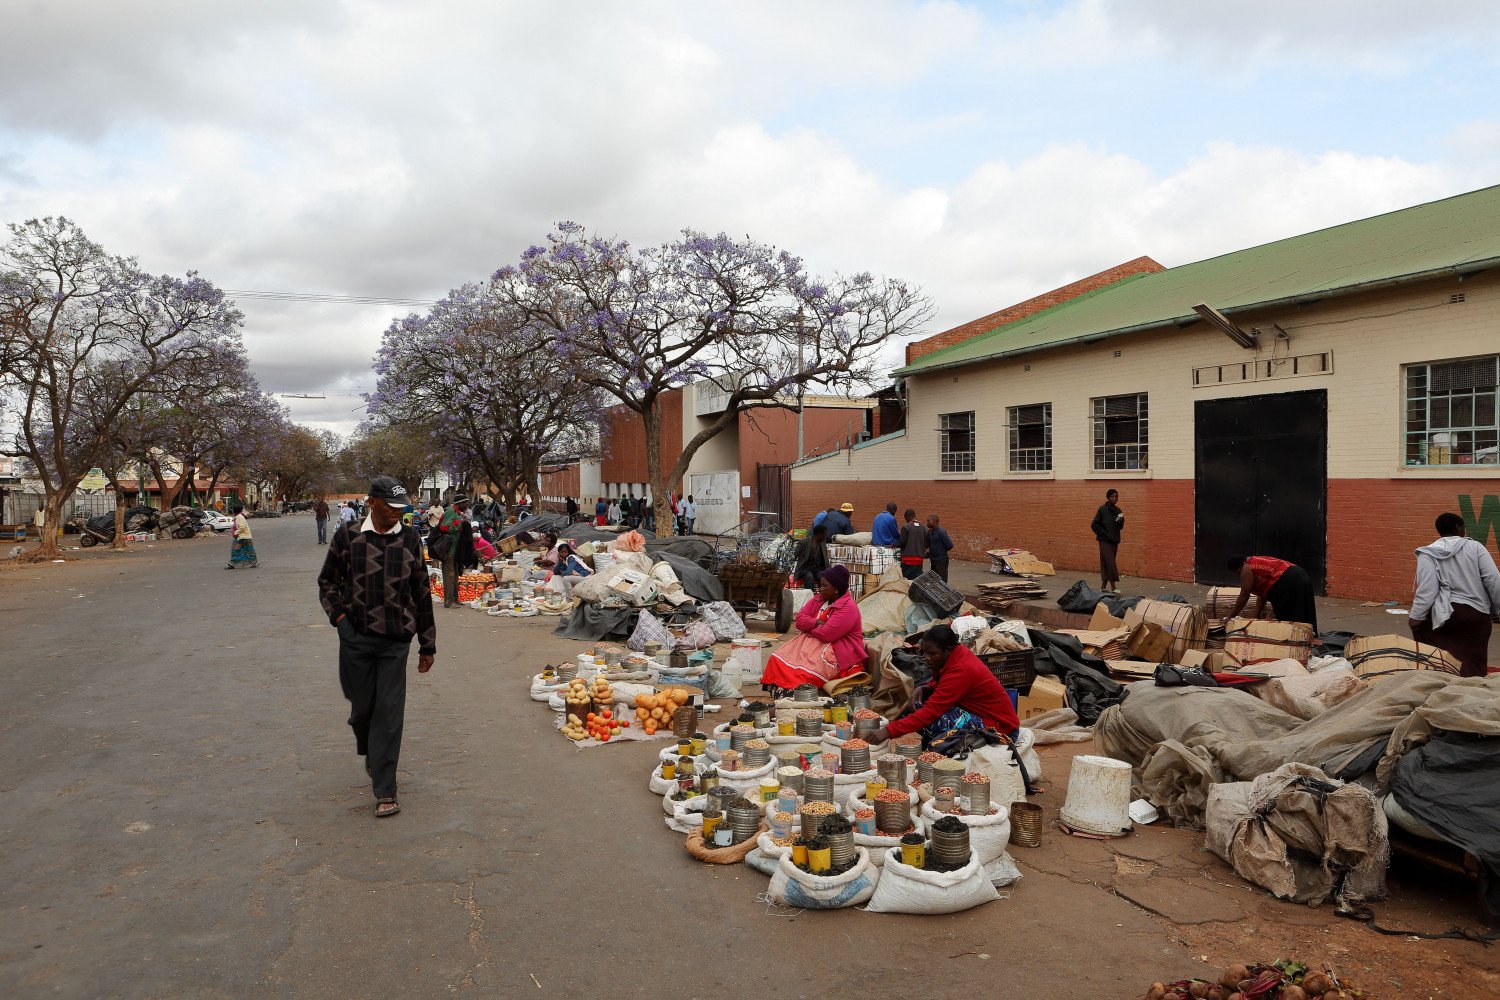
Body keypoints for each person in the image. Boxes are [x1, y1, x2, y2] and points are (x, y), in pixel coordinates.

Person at [317, 476, 436, 819]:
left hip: (396, 641)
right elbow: (327, 583)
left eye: (401, 508)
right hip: (356, 640)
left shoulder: (411, 539)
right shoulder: (348, 536)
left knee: (389, 712)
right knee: (363, 712)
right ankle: (368, 744)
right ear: (372, 503)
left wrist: (428, 644)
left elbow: (422, 592)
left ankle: (385, 789)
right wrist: (341, 621)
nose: (397, 514)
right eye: (391, 507)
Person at [871, 624, 1020, 745]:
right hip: (983, 715)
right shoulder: (957, 654)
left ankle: (943, 748)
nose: (926, 658)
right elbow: (946, 683)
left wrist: (887, 732)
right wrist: (926, 687)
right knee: (917, 706)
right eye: (924, 652)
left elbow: (932, 711)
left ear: (948, 650)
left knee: (930, 719)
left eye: (932, 654)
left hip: (1001, 729)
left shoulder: (961, 669)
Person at [1409, 511, 1500, 677]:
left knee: (1431, 649)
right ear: (1458, 527)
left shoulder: (1427, 553)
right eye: (1463, 527)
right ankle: (1471, 689)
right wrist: (1497, 610)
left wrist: (1416, 617)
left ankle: (1440, 682)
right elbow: (1493, 580)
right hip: (1475, 615)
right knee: (1474, 659)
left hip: (1442, 616)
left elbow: (1427, 589)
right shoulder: (1475, 547)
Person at [761, 566, 867, 692]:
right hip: (812, 642)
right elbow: (799, 621)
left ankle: (791, 692)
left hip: (836, 648)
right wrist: (817, 622)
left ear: (837, 589)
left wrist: (809, 628)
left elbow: (827, 634)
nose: (820, 589)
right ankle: (778, 688)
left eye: (824, 586)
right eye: (820, 585)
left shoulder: (849, 607)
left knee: (805, 672)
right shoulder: (819, 599)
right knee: (776, 658)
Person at [1226, 554, 1319, 632]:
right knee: (1303, 611)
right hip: (1300, 575)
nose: (1238, 575)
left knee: (1288, 617)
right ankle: (1307, 637)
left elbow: (1244, 595)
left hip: (1288, 581)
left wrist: (1230, 617)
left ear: (1240, 565)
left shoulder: (1246, 567)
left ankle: (1294, 641)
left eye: (1237, 572)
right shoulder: (1255, 562)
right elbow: (1262, 596)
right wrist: (1255, 617)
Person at [431, 496, 473, 609]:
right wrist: (459, 524)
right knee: (449, 575)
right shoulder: (450, 511)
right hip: (449, 549)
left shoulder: (457, 513)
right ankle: (448, 601)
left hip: (455, 549)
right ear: (460, 503)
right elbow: (444, 527)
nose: (467, 505)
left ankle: (454, 599)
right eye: (466, 503)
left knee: (454, 575)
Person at [1091, 489, 1124, 593]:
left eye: (1116, 496)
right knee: (1110, 562)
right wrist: (1103, 534)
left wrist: (1121, 521)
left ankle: (1103, 587)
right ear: (1108, 497)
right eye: (1112, 496)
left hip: (1114, 541)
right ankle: (1113, 587)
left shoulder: (1118, 511)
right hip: (1104, 541)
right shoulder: (1102, 510)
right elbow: (1094, 525)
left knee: (1106, 562)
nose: (1114, 498)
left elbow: (1120, 527)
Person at [793, 523, 830, 590]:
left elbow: (825, 558)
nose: (825, 536)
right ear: (819, 534)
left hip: (818, 569)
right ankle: (810, 596)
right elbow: (794, 555)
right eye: (824, 534)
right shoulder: (803, 542)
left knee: (822, 576)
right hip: (805, 569)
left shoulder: (822, 542)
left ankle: (822, 596)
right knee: (809, 576)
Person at [926, 514, 954, 582]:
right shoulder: (930, 532)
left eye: (928, 521)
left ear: (933, 521)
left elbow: (949, 545)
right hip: (933, 560)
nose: (927, 523)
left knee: (942, 581)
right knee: (934, 580)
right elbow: (928, 544)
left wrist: (941, 552)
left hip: (941, 561)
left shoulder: (941, 532)